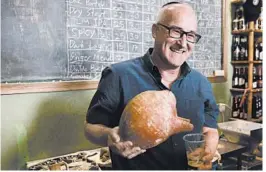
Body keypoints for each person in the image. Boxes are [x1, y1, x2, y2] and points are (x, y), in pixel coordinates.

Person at [84, 1, 219, 170]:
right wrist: (109, 137)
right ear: (155, 31)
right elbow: (90, 127)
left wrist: (210, 144)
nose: (183, 43)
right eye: (176, 31)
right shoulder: (118, 75)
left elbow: (209, 129)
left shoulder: (201, 83)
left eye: (190, 35)